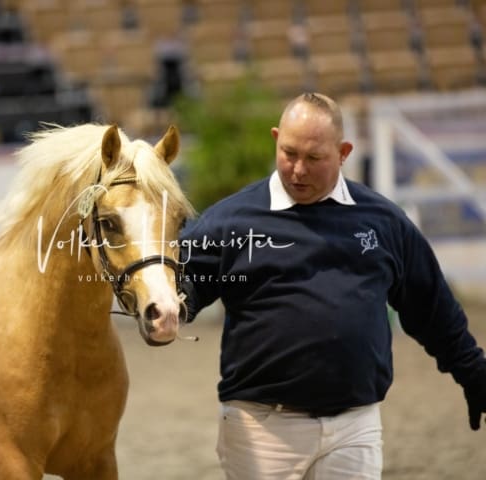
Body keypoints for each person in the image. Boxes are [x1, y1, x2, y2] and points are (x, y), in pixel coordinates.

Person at [179, 92, 486, 479]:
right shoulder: (231, 221)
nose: (298, 170)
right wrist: (170, 308)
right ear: (276, 138)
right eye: (289, 153)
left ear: (343, 152)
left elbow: (431, 307)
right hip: (261, 429)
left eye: (314, 158)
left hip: (355, 426)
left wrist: (474, 373)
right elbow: (181, 284)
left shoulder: (383, 221)